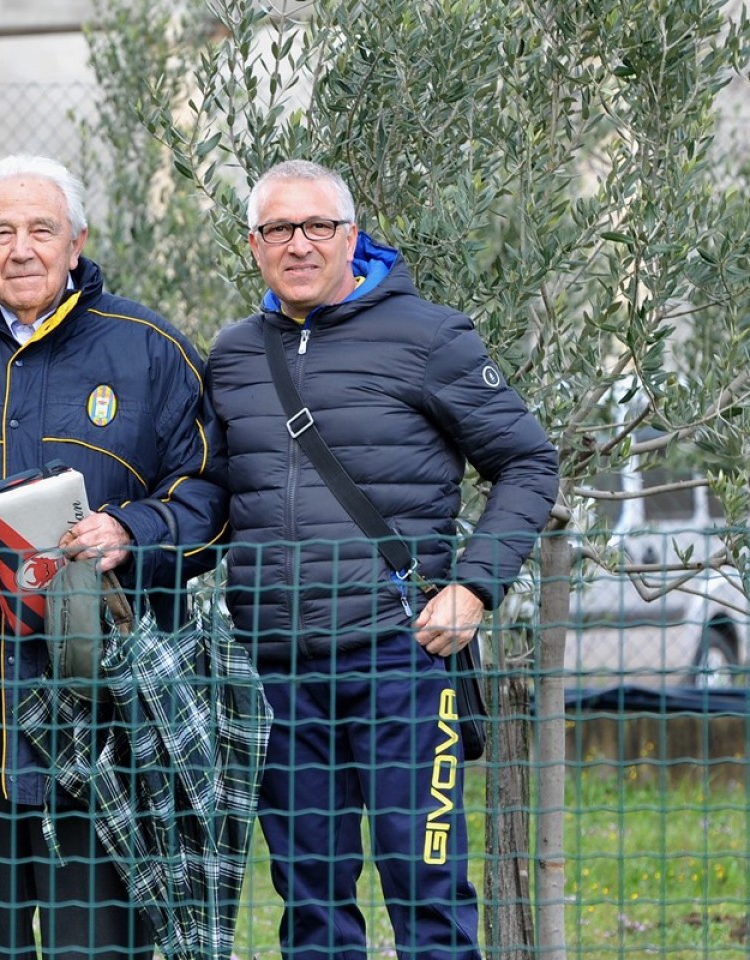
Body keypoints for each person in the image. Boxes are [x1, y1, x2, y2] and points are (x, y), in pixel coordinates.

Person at [207, 160, 559, 960]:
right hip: (277, 669)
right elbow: (211, 492)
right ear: (254, 244)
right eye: (277, 229)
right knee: (311, 903)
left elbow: (531, 463)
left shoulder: (431, 337)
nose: (298, 244)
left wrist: (475, 585)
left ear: (351, 236)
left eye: (317, 227)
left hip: (401, 657)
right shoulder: (232, 356)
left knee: (427, 894)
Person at [0, 154, 227, 960]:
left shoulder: (148, 349)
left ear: (78, 242)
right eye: (1, 231)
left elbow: (212, 495)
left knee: (97, 946)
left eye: (42, 229)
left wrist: (134, 530)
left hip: (101, 712)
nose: (22, 249)